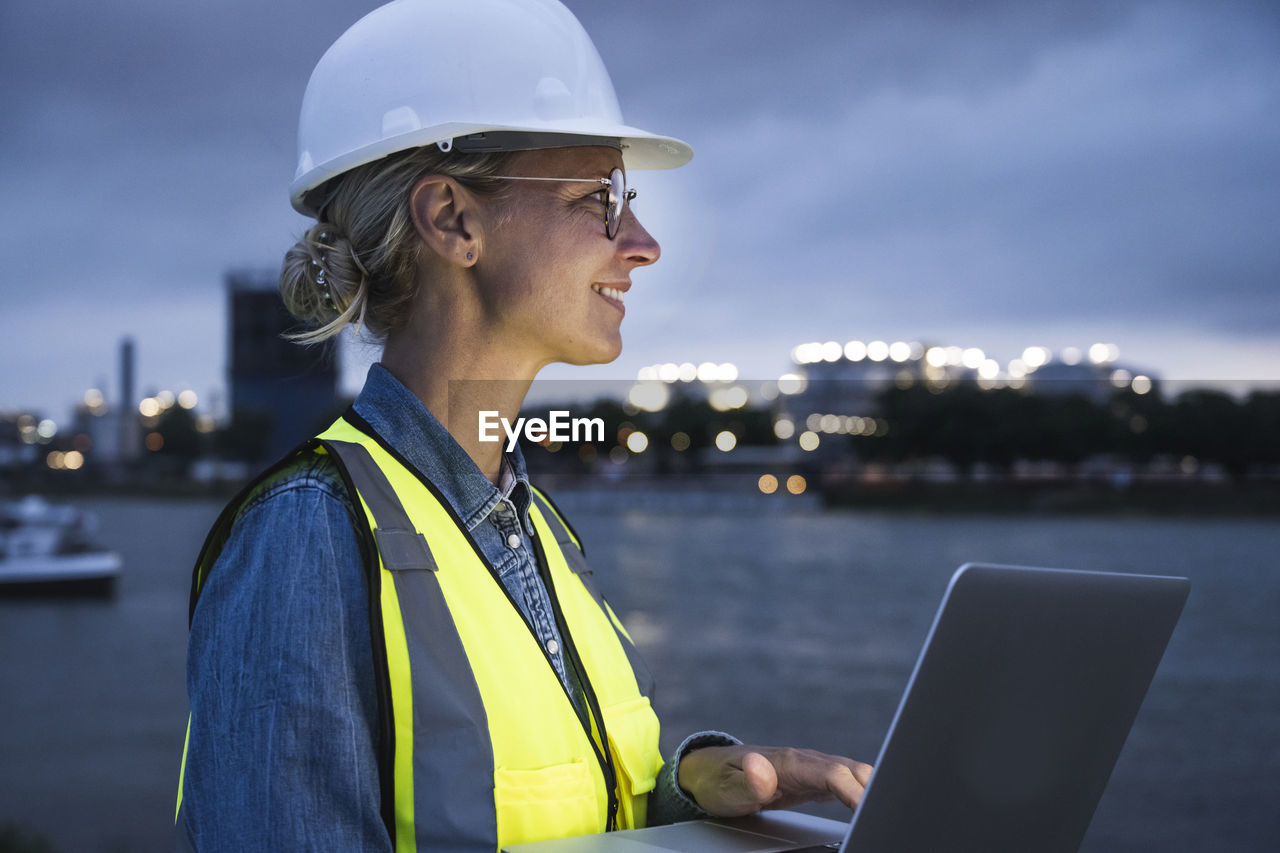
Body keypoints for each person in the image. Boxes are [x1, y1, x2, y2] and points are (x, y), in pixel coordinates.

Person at [175, 1, 871, 849]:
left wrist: (691, 796)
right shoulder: (309, 536)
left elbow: (551, 814)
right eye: (597, 198)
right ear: (453, 221)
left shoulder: (533, 524)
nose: (644, 242)